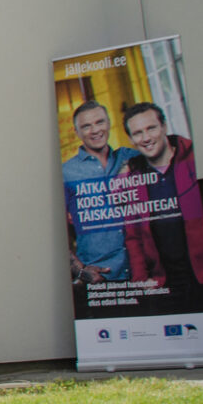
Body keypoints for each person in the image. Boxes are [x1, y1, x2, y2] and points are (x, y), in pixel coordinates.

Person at [119, 102, 203, 312]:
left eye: (151, 128)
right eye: (137, 133)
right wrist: (140, 281)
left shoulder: (195, 158)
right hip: (165, 286)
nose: (145, 138)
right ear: (130, 139)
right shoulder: (133, 178)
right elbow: (133, 236)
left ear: (164, 126)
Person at [62, 101, 136, 286]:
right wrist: (79, 270)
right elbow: (55, 232)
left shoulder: (130, 157)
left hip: (143, 273)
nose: (95, 130)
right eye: (86, 126)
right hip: (100, 277)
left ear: (109, 123)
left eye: (100, 122)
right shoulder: (65, 173)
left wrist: (128, 166)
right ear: (77, 132)